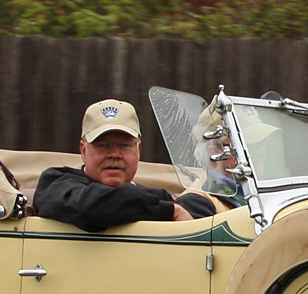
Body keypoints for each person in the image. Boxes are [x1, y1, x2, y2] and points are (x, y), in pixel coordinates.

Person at [33, 99, 218, 231]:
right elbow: (92, 207)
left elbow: (198, 211)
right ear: (83, 150)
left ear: (138, 150)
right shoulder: (56, 185)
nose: (114, 154)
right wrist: (169, 211)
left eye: (124, 145)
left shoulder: (153, 196)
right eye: (103, 145)